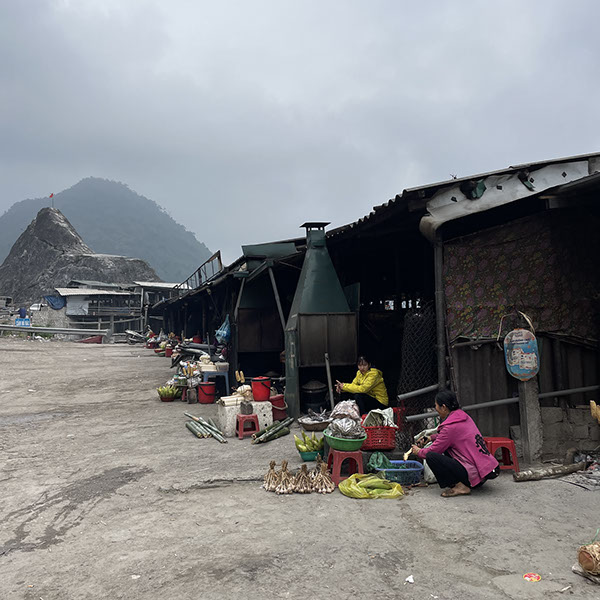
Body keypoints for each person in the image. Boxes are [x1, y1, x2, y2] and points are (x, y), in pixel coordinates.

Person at [411, 389, 499, 498]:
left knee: (431, 456)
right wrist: (430, 438)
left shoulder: (450, 427)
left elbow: (434, 450)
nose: (435, 408)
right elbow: (451, 437)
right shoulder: (463, 417)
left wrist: (418, 451)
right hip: (485, 470)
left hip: (474, 475)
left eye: (436, 405)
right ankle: (463, 482)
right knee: (446, 449)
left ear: (444, 407)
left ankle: (461, 486)